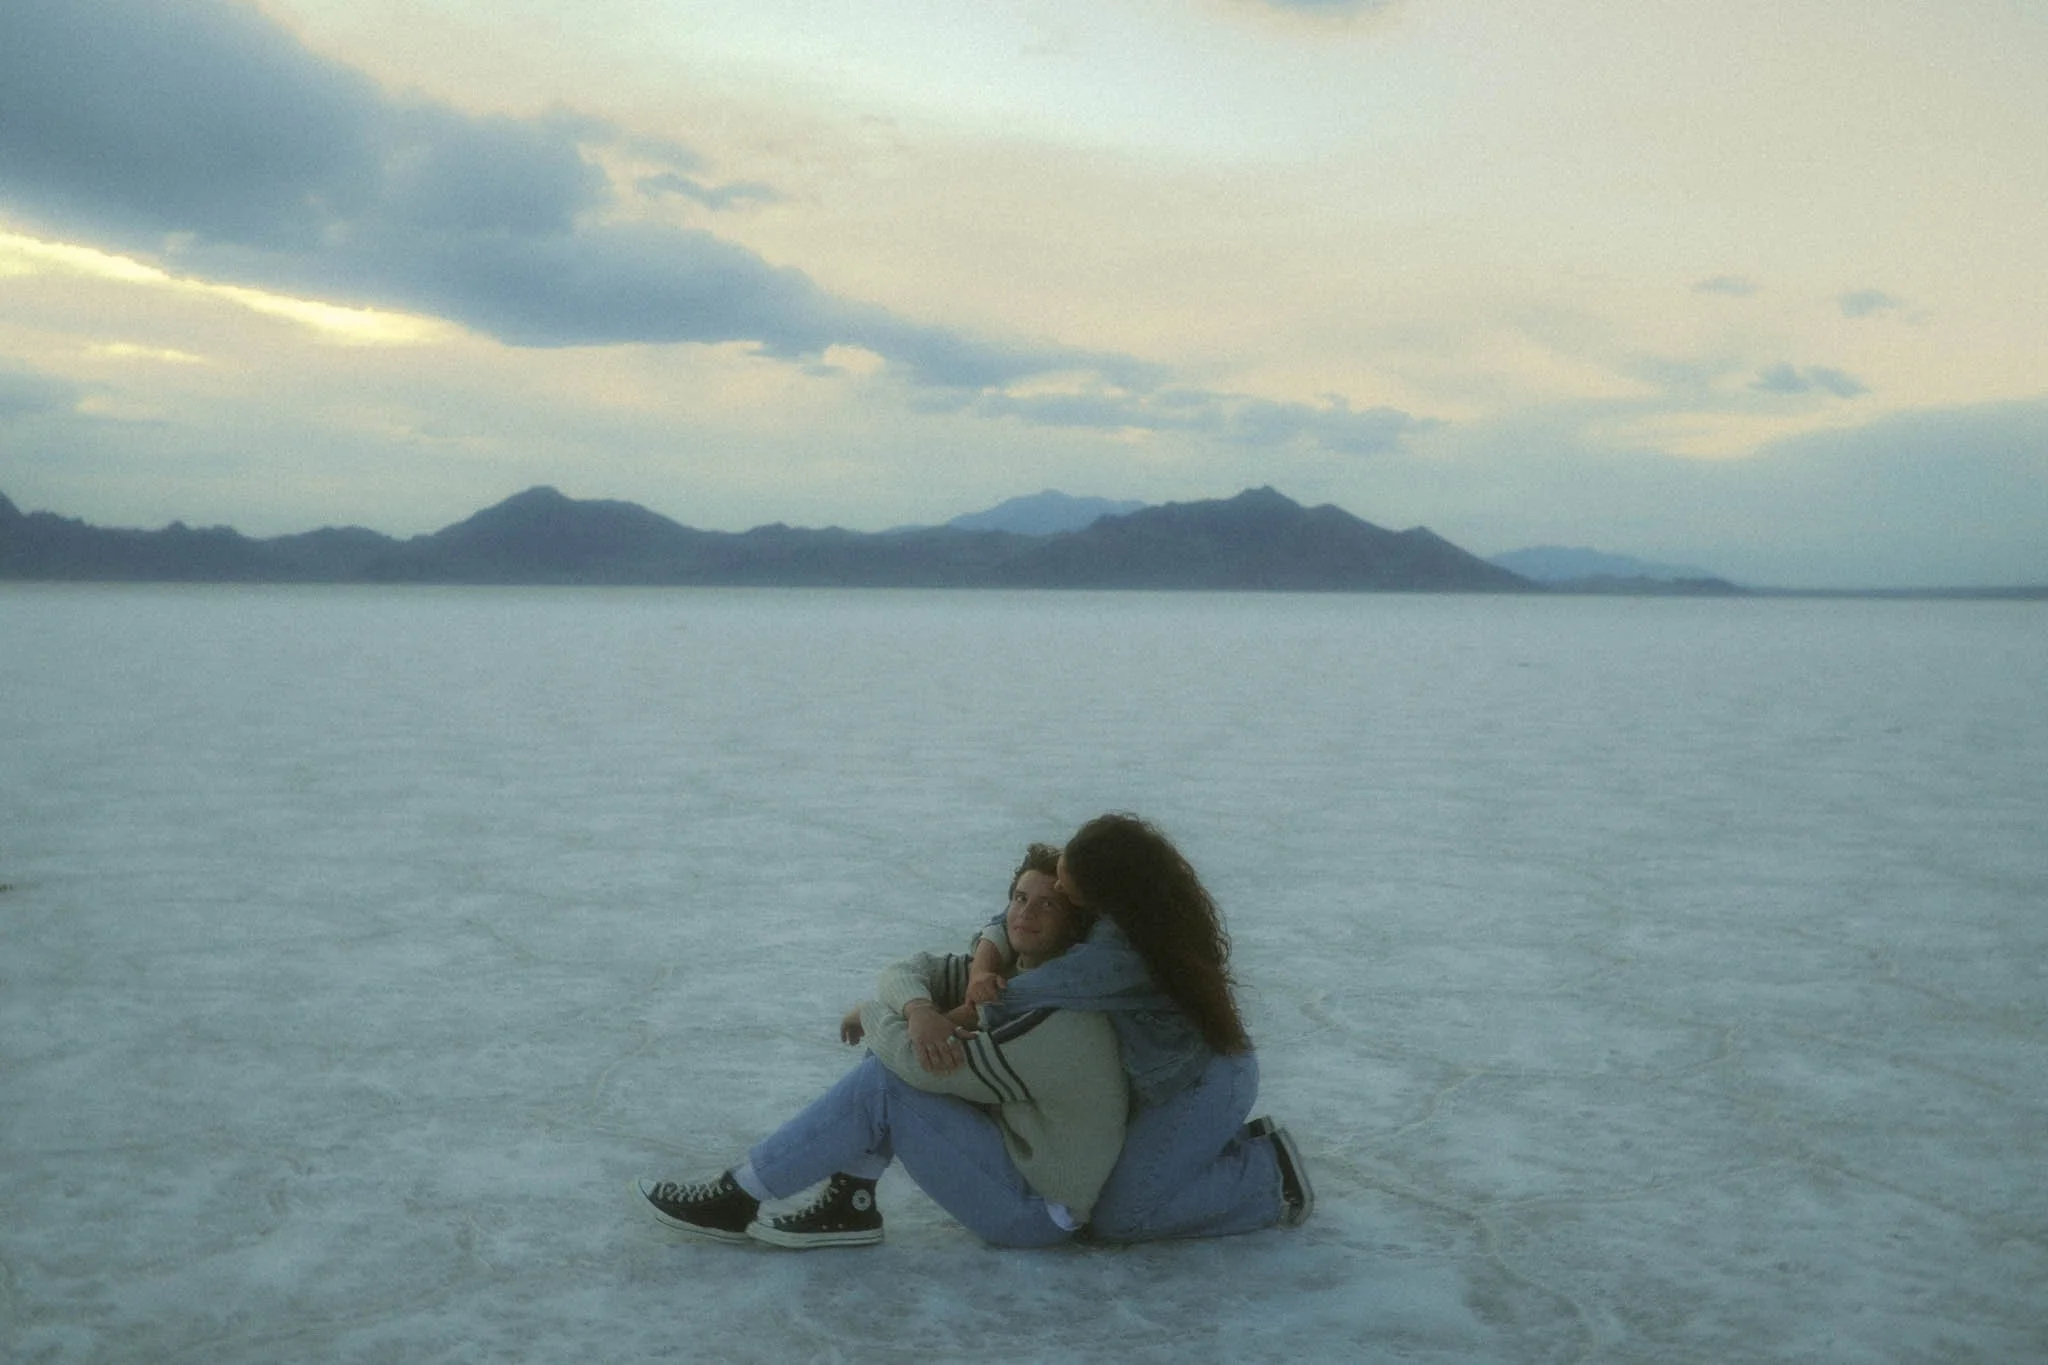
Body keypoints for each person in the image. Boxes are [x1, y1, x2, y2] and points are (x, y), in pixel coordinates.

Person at [636, 845, 1126, 1249]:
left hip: (1037, 1214)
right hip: (1017, 1169)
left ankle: (738, 1195)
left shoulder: (1059, 1013)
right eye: (1020, 898)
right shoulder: (1018, 973)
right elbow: (906, 970)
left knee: (889, 1076)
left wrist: (874, 1014)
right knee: (907, 1038)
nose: (1025, 914)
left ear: (1074, 926)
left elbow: (919, 1064)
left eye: (1047, 905)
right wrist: (916, 1009)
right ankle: (852, 1203)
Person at [973, 812, 1312, 1239]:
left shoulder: (1118, 952)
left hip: (1202, 1083)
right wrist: (979, 967)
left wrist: (930, 1013)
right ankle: (1226, 1148)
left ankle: (1270, 1177)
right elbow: (1006, 918)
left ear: (1098, 884)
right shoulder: (1126, 905)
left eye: (1062, 884)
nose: (1054, 890)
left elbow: (1016, 997)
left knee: (1122, 1217)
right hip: (1173, 1077)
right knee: (1118, 1195)